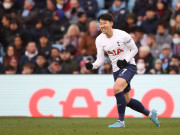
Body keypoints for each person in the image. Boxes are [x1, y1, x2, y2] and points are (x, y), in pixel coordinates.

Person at [85, 13, 160, 128]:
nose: (102, 26)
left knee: (116, 88)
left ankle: (121, 122)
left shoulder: (122, 35)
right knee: (127, 101)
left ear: (111, 23)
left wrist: (125, 60)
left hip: (129, 66)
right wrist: (92, 66)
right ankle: (151, 114)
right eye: (100, 23)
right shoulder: (99, 40)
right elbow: (100, 60)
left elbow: (134, 49)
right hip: (116, 70)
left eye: (104, 23)